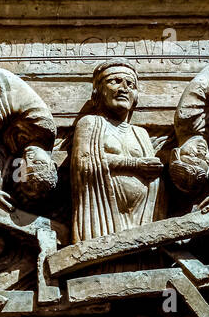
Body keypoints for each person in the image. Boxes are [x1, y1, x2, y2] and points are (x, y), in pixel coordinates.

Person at [70, 61, 163, 242]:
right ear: (98, 92)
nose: (123, 88)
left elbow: (154, 175)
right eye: (115, 81)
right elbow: (85, 163)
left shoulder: (140, 133)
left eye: (130, 84)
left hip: (141, 217)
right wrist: (135, 164)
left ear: (135, 95)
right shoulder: (90, 123)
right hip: (103, 217)